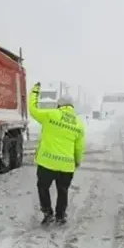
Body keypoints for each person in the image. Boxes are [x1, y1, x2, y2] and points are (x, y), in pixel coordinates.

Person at [27, 82, 85, 225]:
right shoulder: (78, 123)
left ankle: (48, 213)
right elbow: (79, 147)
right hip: (66, 165)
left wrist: (35, 92)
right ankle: (60, 216)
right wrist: (77, 161)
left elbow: (33, 109)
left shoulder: (50, 115)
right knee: (63, 190)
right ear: (72, 107)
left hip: (47, 163)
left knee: (43, 187)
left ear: (59, 105)